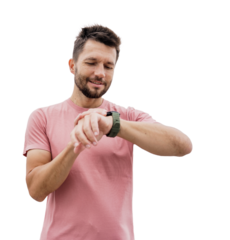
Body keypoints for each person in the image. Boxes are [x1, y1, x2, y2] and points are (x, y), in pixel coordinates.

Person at [22, 19, 193, 240]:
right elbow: (36, 192)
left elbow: (183, 146)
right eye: (92, 62)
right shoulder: (42, 116)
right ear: (72, 66)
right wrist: (75, 145)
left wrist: (114, 125)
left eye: (108, 66)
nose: (100, 73)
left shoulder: (128, 116)